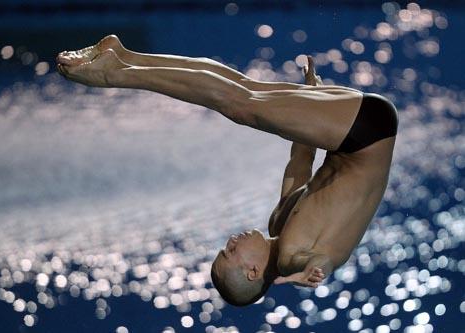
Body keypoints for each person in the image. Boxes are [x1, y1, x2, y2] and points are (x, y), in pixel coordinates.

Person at [56, 35, 398, 306]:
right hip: (365, 133)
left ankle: (126, 57)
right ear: (252, 272)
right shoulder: (293, 254)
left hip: (352, 131)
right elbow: (317, 262)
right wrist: (311, 272)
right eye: (230, 252)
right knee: (240, 105)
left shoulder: (279, 222)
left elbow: (301, 161)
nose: (231, 242)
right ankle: (115, 72)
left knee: (242, 89)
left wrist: (312, 98)